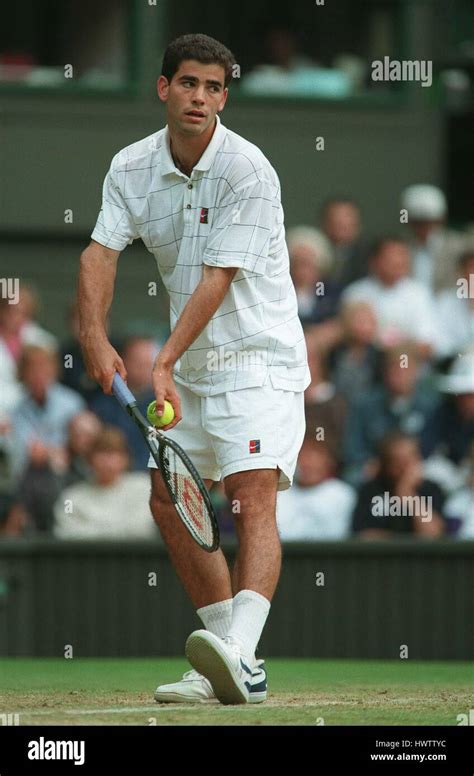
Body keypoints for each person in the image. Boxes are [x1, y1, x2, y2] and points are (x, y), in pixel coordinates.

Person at [77, 34, 310, 706]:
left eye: (213, 87)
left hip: (258, 361)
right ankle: (228, 665)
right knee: (167, 502)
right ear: (163, 89)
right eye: (188, 84)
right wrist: (93, 335)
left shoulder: (249, 171)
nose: (199, 98)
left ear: (224, 97)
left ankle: (239, 652)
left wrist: (163, 361)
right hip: (192, 366)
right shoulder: (129, 167)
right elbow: (99, 255)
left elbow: (215, 280)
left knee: (251, 496)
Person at [53, 427, 159, 540]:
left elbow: (142, 529)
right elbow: (65, 531)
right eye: (102, 454)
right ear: (89, 459)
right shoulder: (70, 498)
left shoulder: (144, 488)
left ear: (126, 458)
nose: (108, 462)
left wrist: (93, 531)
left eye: (114, 454)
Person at [341, 236, 437, 360]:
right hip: (365, 366)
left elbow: (427, 344)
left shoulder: (419, 294)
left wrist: (395, 352)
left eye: (402, 256)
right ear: (373, 261)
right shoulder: (355, 293)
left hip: (407, 366)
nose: (398, 262)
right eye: (391, 257)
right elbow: (345, 340)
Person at [351, 432, 446, 539]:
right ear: (386, 464)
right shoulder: (371, 490)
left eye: (411, 459)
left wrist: (408, 495)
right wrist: (409, 540)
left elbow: (434, 534)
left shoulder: (431, 489)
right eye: (399, 461)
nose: (406, 467)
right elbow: (365, 536)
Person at [276, 438, 355, 541]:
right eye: (302, 456)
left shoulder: (342, 494)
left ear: (329, 461)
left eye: (314, 456)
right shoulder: (278, 494)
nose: (307, 463)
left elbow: (335, 535)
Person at [401, 184, 466, 292]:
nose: (424, 228)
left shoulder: (459, 246)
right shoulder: (401, 246)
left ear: (441, 219)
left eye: (430, 222)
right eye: (418, 222)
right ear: (409, 222)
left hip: (449, 305)